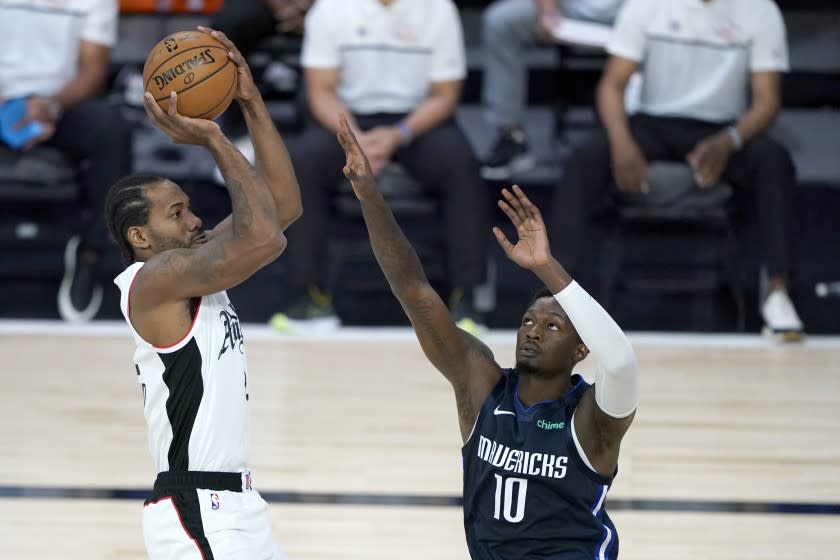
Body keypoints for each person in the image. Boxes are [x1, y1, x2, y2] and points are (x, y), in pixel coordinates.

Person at [336, 114, 639, 559]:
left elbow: (620, 359)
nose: (533, 331)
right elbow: (416, 294)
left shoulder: (592, 418)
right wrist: (370, 197)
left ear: (580, 349)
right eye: (528, 321)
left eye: (552, 326)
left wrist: (545, 269)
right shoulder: (482, 387)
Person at [106, 28, 301, 559]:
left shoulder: (189, 268)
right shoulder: (155, 283)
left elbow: (281, 209)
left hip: (234, 506)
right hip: (198, 511)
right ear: (140, 238)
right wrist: (215, 138)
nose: (195, 220)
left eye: (190, 207)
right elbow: (264, 236)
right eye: (176, 213)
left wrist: (250, 101)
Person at [551, 0, 804, 340]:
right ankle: (557, 298)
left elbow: (767, 101)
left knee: (775, 161)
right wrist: (622, 142)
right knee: (585, 159)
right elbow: (612, 85)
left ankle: (778, 292)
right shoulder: (646, 5)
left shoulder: (760, 9)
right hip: (654, 122)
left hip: (722, 128)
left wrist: (729, 140)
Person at [271, 0, 488, 332]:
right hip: (346, 119)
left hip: (415, 121)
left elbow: (445, 94)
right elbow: (321, 91)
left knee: (460, 163)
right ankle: (308, 297)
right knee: (302, 161)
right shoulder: (330, 9)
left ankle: (466, 300)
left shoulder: (439, 9)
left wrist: (399, 134)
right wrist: (354, 138)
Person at [0, 0, 132, 322]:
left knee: (112, 130)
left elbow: (93, 69)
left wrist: (50, 106)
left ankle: (90, 253)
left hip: (58, 103)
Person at [480, 0, 625, 180]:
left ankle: (645, 136)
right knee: (500, 22)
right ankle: (511, 136)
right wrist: (547, 10)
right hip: (568, 7)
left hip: (632, 11)